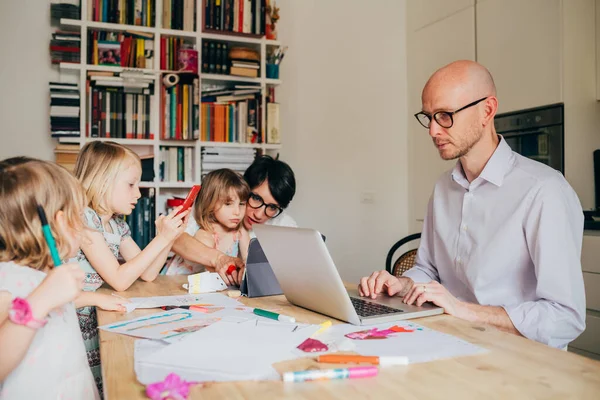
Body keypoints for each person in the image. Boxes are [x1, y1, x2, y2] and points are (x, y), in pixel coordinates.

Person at [358, 60, 586, 349]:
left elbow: (566, 317)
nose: (432, 130)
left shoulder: (544, 191)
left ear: (487, 111)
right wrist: (401, 284)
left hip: (520, 362)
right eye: (428, 117)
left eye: (444, 115)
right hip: (449, 343)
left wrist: (462, 309)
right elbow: (428, 271)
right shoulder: (443, 187)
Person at [71, 141, 189, 394]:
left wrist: (167, 238)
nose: (138, 193)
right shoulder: (84, 219)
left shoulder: (117, 224)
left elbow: (147, 273)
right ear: (102, 181)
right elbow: (119, 279)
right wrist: (161, 240)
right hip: (73, 317)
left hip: (93, 313)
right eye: (131, 184)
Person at [0, 157, 99, 399]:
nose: (84, 226)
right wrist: (39, 302)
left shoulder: (47, 274)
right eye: (79, 215)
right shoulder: (8, 280)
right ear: (60, 221)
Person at [172, 155, 297, 286]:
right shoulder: (214, 208)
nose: (259, 214)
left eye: (272, 207)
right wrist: (218, 259)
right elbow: (174, 238)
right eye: (256, 198)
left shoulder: (284, 224)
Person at [164, 169, 251, 275]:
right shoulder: (205, 232)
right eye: (228, 204)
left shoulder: (240, 231)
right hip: (177, 283)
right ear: (210, 202)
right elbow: (212, 271)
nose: (237, 212)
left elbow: (249, 260)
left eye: (241, 204)